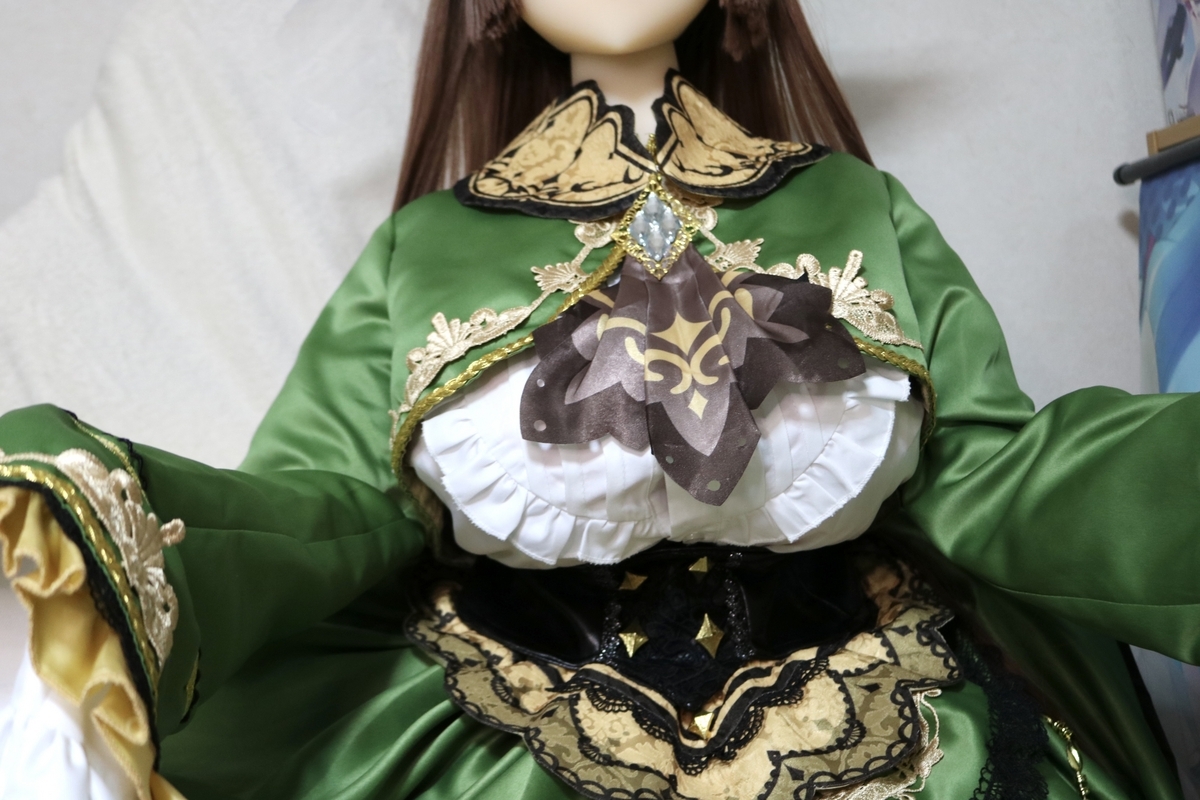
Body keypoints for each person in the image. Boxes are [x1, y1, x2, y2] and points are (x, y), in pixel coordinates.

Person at [0, 0, 1194, 798]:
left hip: (880, 698)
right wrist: (102, 519)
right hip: (514, 714)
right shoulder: (425, 250)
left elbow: (992, 471)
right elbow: (329, 506)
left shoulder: (853, 207)